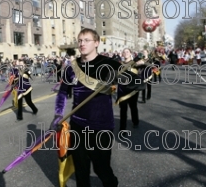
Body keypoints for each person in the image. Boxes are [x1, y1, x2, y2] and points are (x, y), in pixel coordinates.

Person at [50, 28, 134, 187]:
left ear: (96, 43)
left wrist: (128, 80)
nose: (82, 44)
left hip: (102, 126)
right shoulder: (71, 68)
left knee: (102, 168)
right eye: (80, 40)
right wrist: (58, 115)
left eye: (86, 40)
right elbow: (62, 93)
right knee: (81, 169)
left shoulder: (110, 64)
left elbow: (134, 82)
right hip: (77, 125)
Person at [117, 48, 149, 134]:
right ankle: (122, 128)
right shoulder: (119, 64)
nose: (126, 53)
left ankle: (135, 122)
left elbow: (145, 67)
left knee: (133, 107)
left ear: (130, 53)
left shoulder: (135, 63)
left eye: (127, 51)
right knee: (123, 109)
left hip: (132, 89)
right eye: (124, 52)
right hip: (122, 89)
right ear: (122, 54)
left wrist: (144, 62)